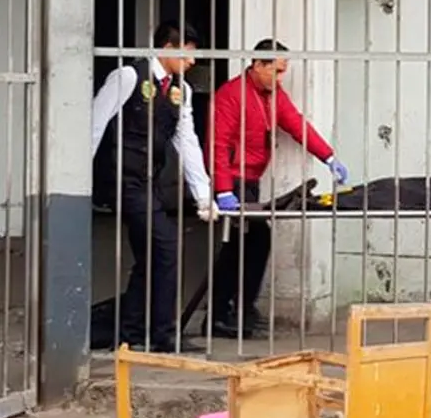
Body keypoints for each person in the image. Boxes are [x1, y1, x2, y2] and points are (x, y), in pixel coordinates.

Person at [208, 38, 349, 339]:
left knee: (248, 245)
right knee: (242, 245)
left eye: (283, 71)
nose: (280, 77)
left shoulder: (271, 95)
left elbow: (297, 125)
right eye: (277, 70)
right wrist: (222, 189)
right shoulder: (231, 95)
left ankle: (239, 308)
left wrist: (329, 156)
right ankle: (222, 313)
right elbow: (218, 144)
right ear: (258, 65)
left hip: (250, 181)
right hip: (233, 181)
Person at [91, 20, 217, 353]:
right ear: (168, 48)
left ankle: (131, 331)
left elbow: (187, 142)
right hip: (121, 178)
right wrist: (79, 185)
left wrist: (204, 195)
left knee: (151, 256)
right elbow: (95, 124)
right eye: (189, 55)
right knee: (166, 245)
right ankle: (163, 334)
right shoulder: (129, 77)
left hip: (149, 182)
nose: (192, 63)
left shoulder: (181, 91)